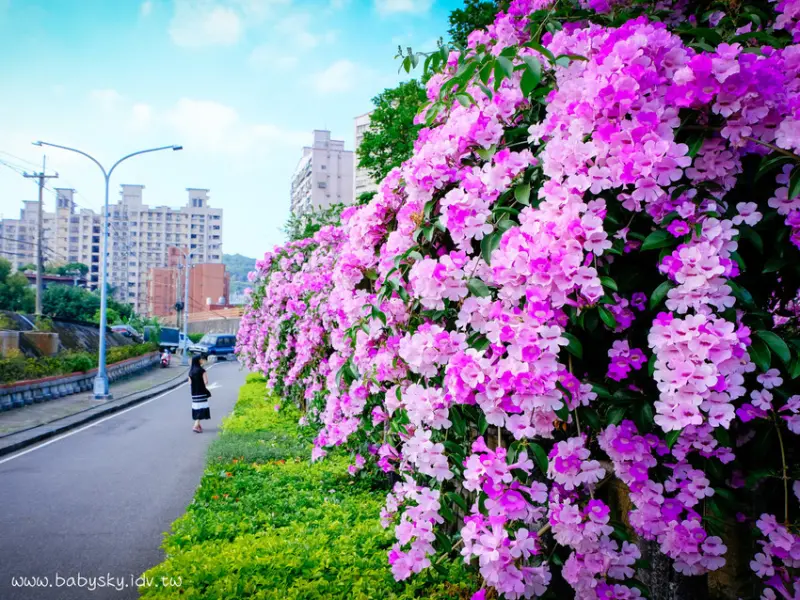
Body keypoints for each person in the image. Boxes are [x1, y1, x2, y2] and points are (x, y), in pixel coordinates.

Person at [189, 354, 211, 433]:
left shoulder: (190, 372)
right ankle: (196, 425)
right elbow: (206, 382)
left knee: (197, 408)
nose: (202, 360)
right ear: (198, 361)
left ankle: (198, 425)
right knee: (202, 409)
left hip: (194, 394)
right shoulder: (202, 371)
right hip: (201, 392)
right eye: (201, 359)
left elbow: (190, 383)